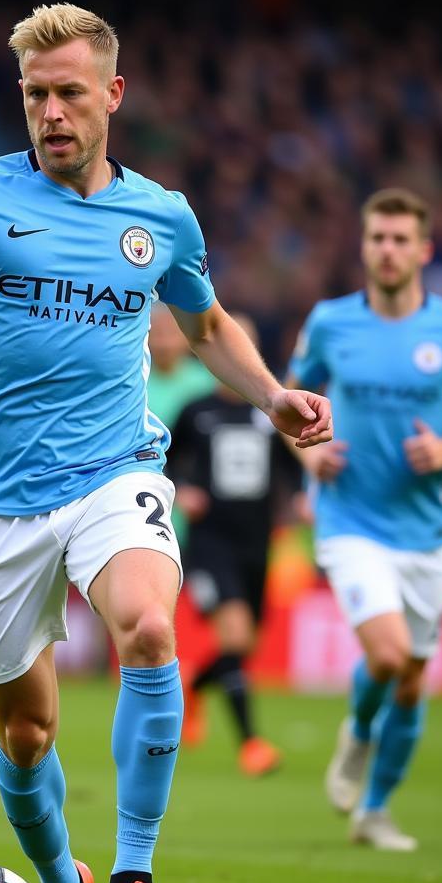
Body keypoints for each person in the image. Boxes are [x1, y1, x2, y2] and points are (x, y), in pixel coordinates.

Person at [0, 4, 332, 883]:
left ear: (112, 96)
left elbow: (205, 327)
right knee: (27, 735)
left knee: (151, 627)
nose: (51, 112)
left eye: (69, 92)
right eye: (35, 95)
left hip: (116, 468)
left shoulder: (161, 216)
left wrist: (273, 393)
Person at [286, 188, 442, 851]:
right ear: (364, 246)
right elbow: (289, 410)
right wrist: (312, 455)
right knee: (386, 655)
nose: (386, 249)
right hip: (349, 519)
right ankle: (357, 733)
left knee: (412, 678)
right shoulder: (329, 323)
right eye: (376, 237)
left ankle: (375, 811)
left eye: (398, 239)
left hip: (425, 531)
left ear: (422, 250)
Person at [169, 312, 287, 776]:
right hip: (210, 544)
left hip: (257, 544)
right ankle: (252, 744)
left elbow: (291, 471)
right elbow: (160, 461)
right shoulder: (197, 412)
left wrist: (299, 500)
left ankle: (195, 685)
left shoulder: (269, 413)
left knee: (244, 644)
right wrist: (182, 489)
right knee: (235, 636)